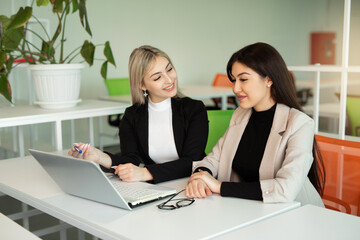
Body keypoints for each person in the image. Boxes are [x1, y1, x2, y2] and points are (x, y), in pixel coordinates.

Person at [186, 42, 325, 207]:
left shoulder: (299, 124)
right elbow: (213, 160)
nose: (235, 88)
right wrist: (200, 178)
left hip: (294, 213)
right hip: (250, 210)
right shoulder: (240, 115)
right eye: (234, 80)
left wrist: (219, 187)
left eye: (243, 79)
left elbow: (285, 189)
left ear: (269, 79)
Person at [68, 45, 208, 183]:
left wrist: (145, 173)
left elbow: (192, 161)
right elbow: (131, 159)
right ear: (142, 85)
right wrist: (99, 156)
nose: (169, 79)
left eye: (169, 69)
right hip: (159, 186)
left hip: (193, 183)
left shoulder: (194, 109)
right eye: (157, 77)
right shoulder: (132, 115)